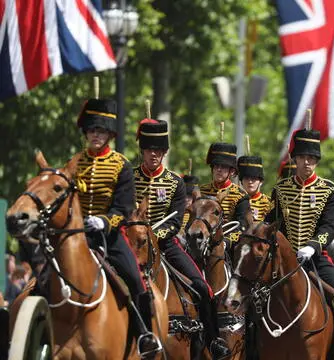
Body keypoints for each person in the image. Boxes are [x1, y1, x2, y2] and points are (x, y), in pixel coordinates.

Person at [133, 119, 229, 357]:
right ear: (142, 151)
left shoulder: (175, 182)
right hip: (134, 244)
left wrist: (154, 238)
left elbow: (175, 221)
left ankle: (212, 340)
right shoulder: (130, 176)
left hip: (165, 244)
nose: (154, 154)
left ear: (164, 152)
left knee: (202, 287)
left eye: (158, 150)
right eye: (149, 150)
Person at [73, 98, 160, 355]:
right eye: (91, 130)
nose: (95, 135)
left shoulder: (120, 164)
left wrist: (104, 221)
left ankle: (145, 334)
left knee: (135, 280)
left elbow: (123, 208)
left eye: (100, 131)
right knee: (43, 276)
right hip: (76, 234)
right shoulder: (75, 162)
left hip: (109, 236)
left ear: (110, 134)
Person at [266, 129, 334, 360]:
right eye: (303, 158)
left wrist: (313, 246)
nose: (307, 162)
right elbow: (272, 224)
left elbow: (330, 226)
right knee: (254, 295)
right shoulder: (281, 189)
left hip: (315, 258)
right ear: (294, 159)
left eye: (312, 158)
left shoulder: (328, 189)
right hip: (284, 261)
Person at [200, 143, 250, 245]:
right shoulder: (202, 191)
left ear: (231, 171)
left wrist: (226, 242)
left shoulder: (240, 195)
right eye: (216, 166)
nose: (219, 169)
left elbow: (242, 226)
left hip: (228, 244)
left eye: (223, 167)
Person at [237, 155, 271, 222]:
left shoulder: (268, 203)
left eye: (254, 178)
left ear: (261, 182)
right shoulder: (236, 201)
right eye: (246, 178)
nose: (250, 182)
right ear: (241, 182)